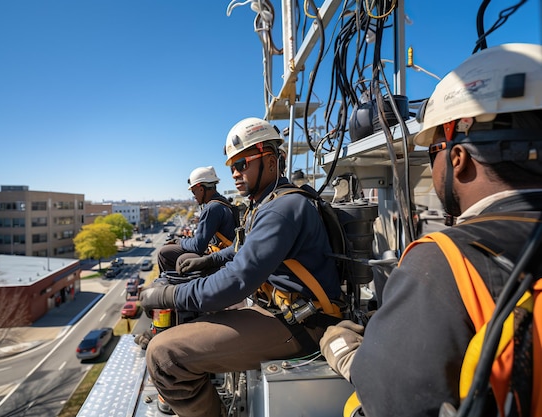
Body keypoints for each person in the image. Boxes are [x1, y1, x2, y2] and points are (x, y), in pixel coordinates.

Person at [320, 43, 542, 417]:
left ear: (458, 157)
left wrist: (348, 355)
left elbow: (390, 402)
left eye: (433, 149)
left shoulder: (444, 262)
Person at [139, 117, 342, 417]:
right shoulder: (266, 204)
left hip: (300, 325)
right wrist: (209, 259)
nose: (234, 173)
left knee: (164, 356)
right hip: (279, 312)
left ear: (270, 161)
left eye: (243, 163)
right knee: (192, 314)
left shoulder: (282, 209)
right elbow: (242, 249)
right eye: (232, 166)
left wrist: (168, 295)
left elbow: (236, 281)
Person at [157, 166, 237, 273]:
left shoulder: (212, 208)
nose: (194, 196)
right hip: (221, 251)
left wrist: (178, 241)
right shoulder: (221, 203)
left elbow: (197, 246)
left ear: (201, 188)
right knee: (167, 252)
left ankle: (175, 285)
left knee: (167, 254)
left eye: (194, 192)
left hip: (220, 255)